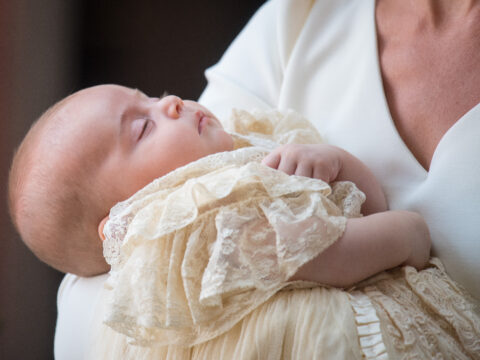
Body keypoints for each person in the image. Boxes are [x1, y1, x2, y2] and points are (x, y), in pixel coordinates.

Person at [50, 0, 480, 357]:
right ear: (120, 223)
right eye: (143, 127)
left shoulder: (242, 146)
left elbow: (365, 207)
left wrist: (336, 163)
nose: (173, 104)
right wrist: (406, 234)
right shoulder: (187, 223)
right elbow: (313, 254)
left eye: (153, 98)